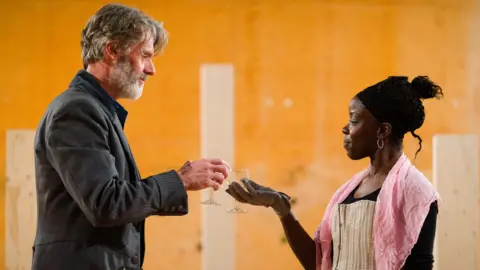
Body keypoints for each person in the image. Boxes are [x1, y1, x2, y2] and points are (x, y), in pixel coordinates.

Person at [32, 4, 230, 270]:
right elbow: (105, 202)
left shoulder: (96, 110)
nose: (151, 69)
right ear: (112, 51)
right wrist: (180, 181)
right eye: (145, 55)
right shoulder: (77, 110)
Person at [226, 76, 443, 270]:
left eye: (354, 120)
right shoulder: (351, 189)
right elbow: (319, 263)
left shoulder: (417, 192)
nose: (345, 128)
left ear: (382, 130)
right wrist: (281, 208)